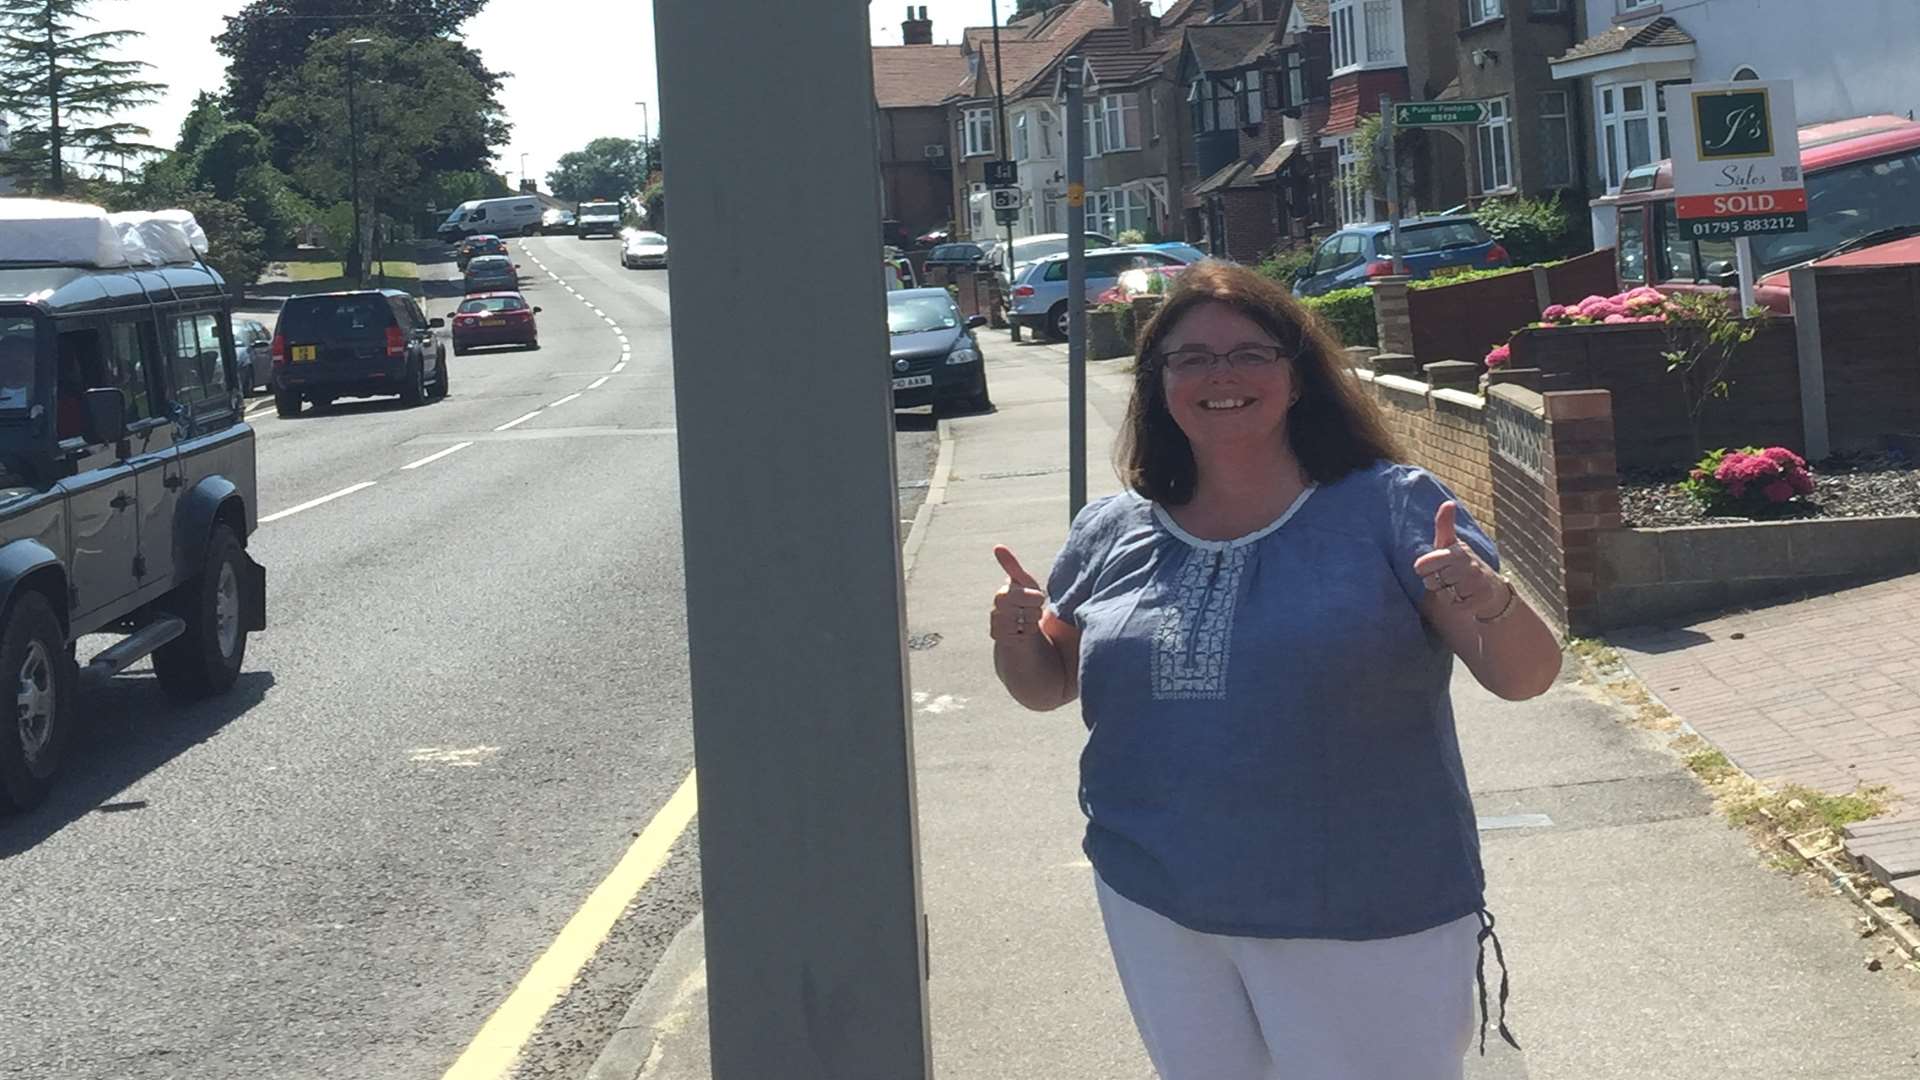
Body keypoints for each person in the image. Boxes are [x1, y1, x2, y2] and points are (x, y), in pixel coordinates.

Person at [989, 261, 1563, 1080]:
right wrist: (1015, 638)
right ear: (1159, 385)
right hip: (1159, 903)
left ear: (1298, 378)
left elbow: (1525, 677)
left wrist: (1489, 601)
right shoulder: (1111, 529)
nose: (1222, 376)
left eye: (1250, 353)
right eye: (1192, 358)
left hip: (1362, 913)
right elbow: (1047, 684)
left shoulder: (1390, 508)